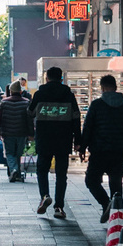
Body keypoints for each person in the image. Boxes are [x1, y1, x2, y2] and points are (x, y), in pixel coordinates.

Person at [79, 73, 123, 223]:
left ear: (102, 88)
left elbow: (87, 128)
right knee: (116, 184)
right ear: (115, 87)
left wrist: (82, 148)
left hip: (100, 150)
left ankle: (106, 203)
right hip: (120, 151)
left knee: (91, 180)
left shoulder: (96, 105)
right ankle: (117, 220)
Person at [31, 67, 80, 220]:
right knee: (61, 174)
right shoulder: (68, 95)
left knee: (42, 169)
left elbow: (30, 112)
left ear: (47, 78)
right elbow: (76, 118)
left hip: (44, 138)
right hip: (63, 139)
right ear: (61, 78)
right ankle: (59, 206)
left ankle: (44, 195)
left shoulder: (39, 94)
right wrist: (78, 140)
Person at [0, 79, 35, 184]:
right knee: (18, 153)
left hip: (7, 132)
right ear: (20, 91)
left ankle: (14, 170)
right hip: (22, 132)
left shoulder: (4, 102)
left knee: (10, 153)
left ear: (10, 91)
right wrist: (31, 133)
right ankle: (17, 172)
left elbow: (0, 118)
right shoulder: (26, 102)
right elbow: (29, 120)